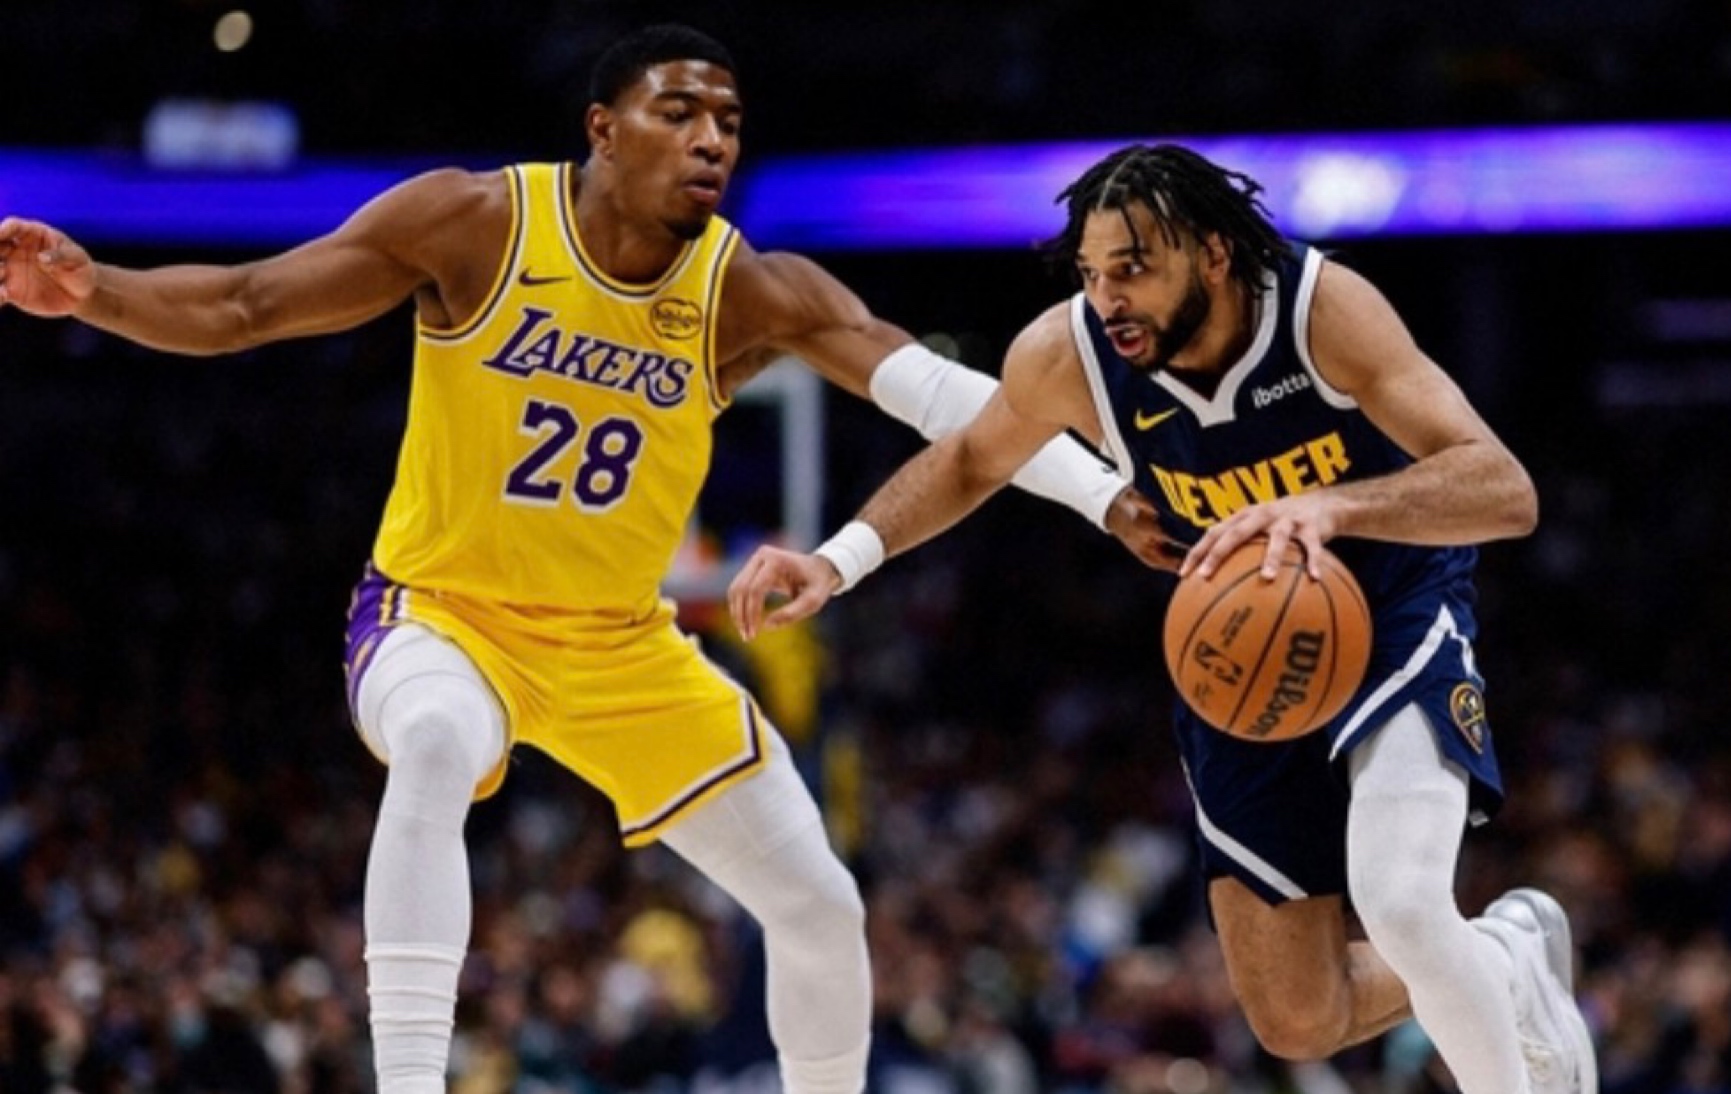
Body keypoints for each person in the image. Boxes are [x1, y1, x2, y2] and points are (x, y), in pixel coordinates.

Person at [0, 25, 1171, 1094]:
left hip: (619, 643)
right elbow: (247, 303)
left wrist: (1104, 493)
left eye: (729, 122)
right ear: (603, 129)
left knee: (820, 901)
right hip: (442, 613)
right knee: (435, 744)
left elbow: (954, 399)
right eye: (680, 112)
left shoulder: (748, 289)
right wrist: (95, 290)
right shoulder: (476, 222)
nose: (712, 139)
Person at [727, 143, 1600, 1093]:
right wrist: (836, 560)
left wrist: (1335, 506)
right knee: (1299, 1017)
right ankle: (1507, 951)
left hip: (1390, 610)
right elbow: (973, 460)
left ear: (1213, 255)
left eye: (1133, 269)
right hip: (1241, 658)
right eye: (1092, 273)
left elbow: (1503, 489)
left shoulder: (1319, 310)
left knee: (1401, 904)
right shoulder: (1070, 353)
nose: (1108, 298)